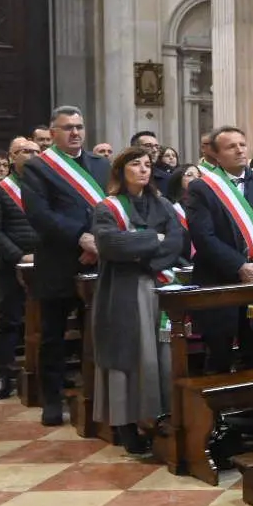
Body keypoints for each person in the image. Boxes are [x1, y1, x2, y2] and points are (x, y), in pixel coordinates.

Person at [89, 145, 186, 454]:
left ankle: (159, 417)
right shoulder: (108, 207)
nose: (144, 170)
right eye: (136, 165)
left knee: (160, 354)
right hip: (122, 291)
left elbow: (174, 243)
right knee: (128, 356)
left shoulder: (164, 205)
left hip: (157, 287)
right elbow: (109, 244)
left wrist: (143, 253)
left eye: (147, 165)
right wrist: (149, 240)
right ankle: (125, 424)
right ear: (121, 171)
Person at [23, 106, 111, 425]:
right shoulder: (38, 168)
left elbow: (113, 205)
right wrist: (80, 239)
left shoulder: (101, 165)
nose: (75, 133)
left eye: (79, 126)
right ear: (53, 133)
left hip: (100, 258)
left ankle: (100, 394)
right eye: (67, 127)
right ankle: (52, 398)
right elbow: (40, 215)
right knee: (53, 335)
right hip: (58, 260)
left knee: (100, 330)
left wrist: (98, 241)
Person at [185, 125, 253, 372]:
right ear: (216, 155)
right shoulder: (202, 188)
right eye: (232, 146)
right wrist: (240, 266)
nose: (240, 150)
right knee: (218, 356)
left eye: (242, 144)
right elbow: (203, 237)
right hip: (219, 281)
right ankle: (216, 409)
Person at [0, 136, 40, 400]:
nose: (30, 155)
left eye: (35, 151)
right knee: (11, 320)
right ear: (12, 157)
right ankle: (4, 374)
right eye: (24, 151)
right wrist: (18, 255)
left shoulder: (47, 187)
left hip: (46, 262)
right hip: (12, 264)